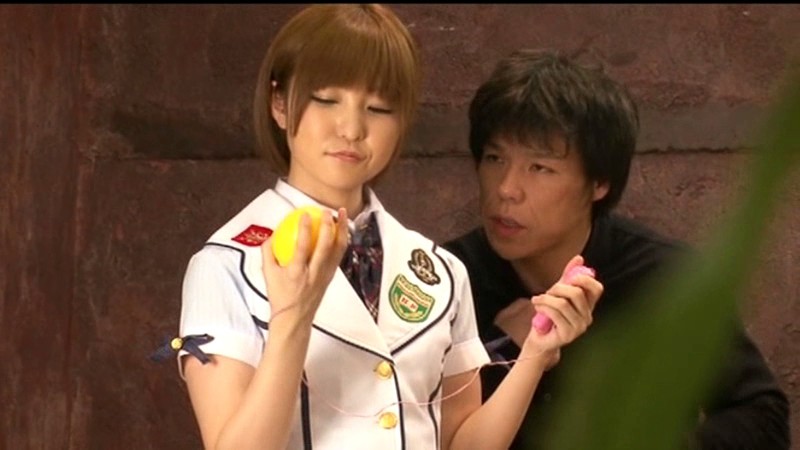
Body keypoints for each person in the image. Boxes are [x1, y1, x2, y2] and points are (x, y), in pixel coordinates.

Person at [161, 6, 604, 450]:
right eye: (327, 100)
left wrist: (535, 354)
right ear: (279, 103)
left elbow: (461, 444)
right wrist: (292, 318)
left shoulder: (440, 271)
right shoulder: (226, 264)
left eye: (378, 108)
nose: (352, 128)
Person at [443, 48, 791, 449]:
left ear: (599, 183)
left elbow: (763, 417)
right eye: (494, 158)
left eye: (540, 168)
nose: (506, 189)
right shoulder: (445, 279)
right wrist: (499, 348)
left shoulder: (665, 278)